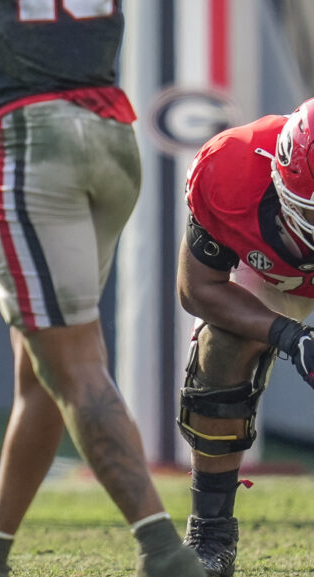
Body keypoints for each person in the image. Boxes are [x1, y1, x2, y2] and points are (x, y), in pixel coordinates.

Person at [0, 2, 206, 577]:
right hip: (113, 135)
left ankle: (164, 550)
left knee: (73, 367)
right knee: (44, 367)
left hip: (31, 142)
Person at [176, 98, 314, 577]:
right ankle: (210, 534)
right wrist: (289, 335)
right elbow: (198, 289)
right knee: (222, 343)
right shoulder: (231, 168)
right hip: (273, 285)